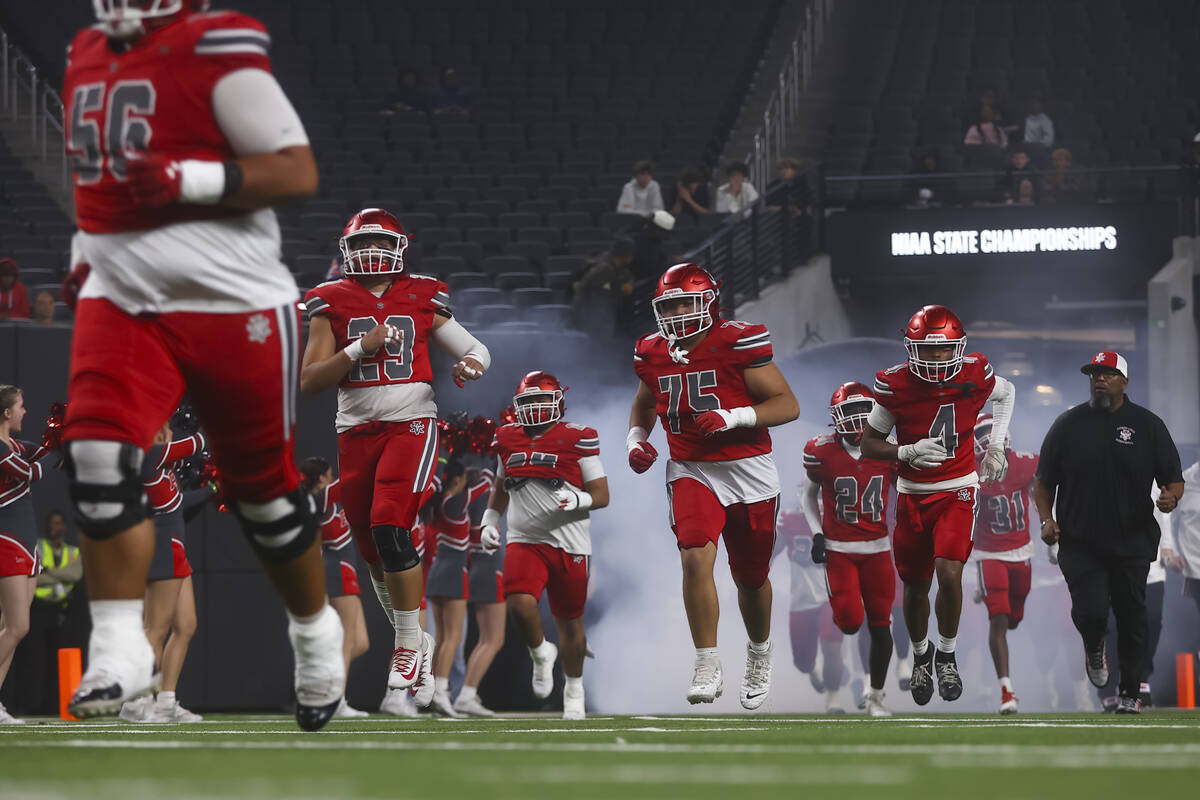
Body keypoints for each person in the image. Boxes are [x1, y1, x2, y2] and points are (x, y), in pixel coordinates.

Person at [60, 0, 342, 730]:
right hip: (125, 293)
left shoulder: (212, 43)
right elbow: (101, 184)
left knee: (264, 496)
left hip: (231, 297)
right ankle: (117, 648)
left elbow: (296, 170)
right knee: (94, 449)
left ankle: (315, 636)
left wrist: (189, 180)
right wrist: (83, 252)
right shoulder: (86, 51)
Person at [300, 207, 490, 711]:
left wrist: (471, 363)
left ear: (400, 246)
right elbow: (311, 379)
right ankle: (418, 641)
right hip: (354, 429)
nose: (369, 253)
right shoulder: (331, 301)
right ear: (345, 252)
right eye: (359, 244)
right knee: (374, 554)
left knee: (390, 522)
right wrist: (360, 348)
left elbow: (474, 348)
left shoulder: (423, 293)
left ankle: (407, 645)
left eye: (378, 242)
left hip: (412, 421)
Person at [627, 263, 799, 708]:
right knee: (693, 559)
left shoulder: (736, 341)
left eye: (687, 302)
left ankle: (759, 651)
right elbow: (647, 402)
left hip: (749, 469)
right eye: (670, 305)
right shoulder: (652, 351)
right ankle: (706, 662)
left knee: (751, 577)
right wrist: (635, 439)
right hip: (692, 469)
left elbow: (787, 405)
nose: (679, 312)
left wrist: (733, 416)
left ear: (709, 302)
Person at [861, 305, 1016, 706]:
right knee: (915, 586)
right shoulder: (895, 384)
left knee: (949, 573)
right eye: (926, 351)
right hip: (913, 493)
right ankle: (920, 655)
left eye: (943, 350)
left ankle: (946, 653)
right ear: (911, 348)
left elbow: (1007, 391)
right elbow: (868, 443)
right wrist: (905, 450)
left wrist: (996, 444)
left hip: (958, 490)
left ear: (958, 348)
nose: (935, 358)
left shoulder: (975, 373)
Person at [1034, 350, 1184, 714]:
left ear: (1124, 382)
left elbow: (1174, 481)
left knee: (1133, 617)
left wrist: (1169, 499)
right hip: (1080, 541)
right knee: (1091, 613)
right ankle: (1093, 646)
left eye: (1107, 373)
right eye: (1094, 373)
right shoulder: (1067, 424)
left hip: (1132, 540)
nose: (1099, 378)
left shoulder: (1148, 425)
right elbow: (1043, 483)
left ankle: (1131, 692)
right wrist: (1046, 519)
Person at [483, 371, 608, 719]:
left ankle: (573, 687)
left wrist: (579, 499)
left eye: (542, 400)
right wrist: (490, 520)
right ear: (517, 406)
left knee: (571, 625)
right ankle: (541, 653)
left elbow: (602, 495)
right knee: (520, 605)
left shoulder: (578, 438)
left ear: (558, 402)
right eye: (529, 401)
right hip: (526, 541)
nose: (536, 407)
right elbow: (500, 483)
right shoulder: (507, 438)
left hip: (570, 543)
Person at [802, 382, 899, 717]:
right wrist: (817, 534)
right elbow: (808, 496)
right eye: (851, 411)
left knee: (880, 624)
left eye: (864, 411)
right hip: (840, 549)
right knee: (848, 622)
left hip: (878, 549)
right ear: (835, 418)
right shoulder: (821, 451)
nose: (858, 419)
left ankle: (876, 696)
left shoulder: (888, 449)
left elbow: (907, 491)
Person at [119, 418, 212, 723]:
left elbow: (177, 502)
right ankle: (135, 702)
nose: (173, 434)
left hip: (171, 548)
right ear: (158, 431)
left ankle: (165, 702)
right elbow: (199, 442)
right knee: (155, 629)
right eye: (169, 429)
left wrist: (211, 489)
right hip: (161, 548)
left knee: (186, 625)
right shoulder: (150, 453)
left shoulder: (156, 462)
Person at [970, 412, 1038, 715]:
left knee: (1014, 618)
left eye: (992, 430)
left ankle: (987, 592)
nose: (988, 437)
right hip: (989, 554)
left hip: (1021, 550)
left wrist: (1051, 526)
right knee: (998, 618)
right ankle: (1006, 690)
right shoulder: (971, 470)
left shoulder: (1025, 462)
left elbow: (1044, 490)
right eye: (982, 432)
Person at [0, 385, 57, 724]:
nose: (25, 412)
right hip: (6, 541)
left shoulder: (15, 445)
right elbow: (33, 472)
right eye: (21, 407)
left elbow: (42, 454)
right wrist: (56, 449)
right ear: (6, 413)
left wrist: (60, 441)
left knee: (9, 626)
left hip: (27, 544)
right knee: (18, 627)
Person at [300, 457, 370, 719]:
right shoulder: (317, 499)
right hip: (337, 570)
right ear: (320, 479)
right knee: (347, 638)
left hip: (344, 570)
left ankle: (318, 682)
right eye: (329, 474)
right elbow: (350, 483)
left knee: (360, 642)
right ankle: (335, 700)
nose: (332, 478)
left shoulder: (324, 499)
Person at [425, 459, 490, 717]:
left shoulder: (440, 501)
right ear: (458, 480)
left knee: (442, 638)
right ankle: (440, 692)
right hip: (453, 574)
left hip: (437, 573)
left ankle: (435, 691)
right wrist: (487, 455)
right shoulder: (457, 501)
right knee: (452, 637)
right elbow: (485, 483)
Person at [777, 508, 848, 712]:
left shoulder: (840, 516)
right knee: (802, 663)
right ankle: (813, 669)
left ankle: (833, 699)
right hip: (801, 602)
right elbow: (773, 550)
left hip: (831, 597)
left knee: (832, 647)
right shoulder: (790, 520)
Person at [457, 461, 501, 717]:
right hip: (488, 565)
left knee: (488, 638)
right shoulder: (485, 489)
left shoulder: (472, 492)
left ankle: (465, 693)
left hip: (480, 566)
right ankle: (467, 693)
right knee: (492, 639)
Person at [571, 237, 635, 338]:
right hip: (594, 319)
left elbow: (625, 277)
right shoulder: (603, 268)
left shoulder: (615, 266)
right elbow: (583, 290)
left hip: (604, 317)